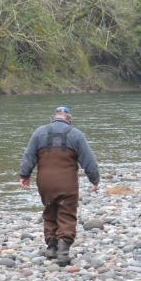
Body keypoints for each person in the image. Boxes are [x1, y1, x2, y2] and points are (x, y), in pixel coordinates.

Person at [18, 106, 100, 266]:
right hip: (66, 182)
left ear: (53, 117)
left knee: (50, 211)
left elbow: (29, 156)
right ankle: (62, 253)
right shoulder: (76, 134)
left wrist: (24, 175)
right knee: (67, 213)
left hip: (45, 182)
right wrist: (94, 180)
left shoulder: (39, 132)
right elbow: (88, 160)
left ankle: (51, 248)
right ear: (69, 118)